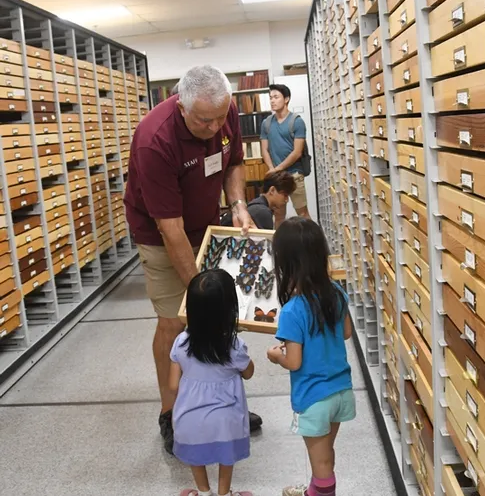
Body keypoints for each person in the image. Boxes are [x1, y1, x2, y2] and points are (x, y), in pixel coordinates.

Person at [124, 65, 261, 454]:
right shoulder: (155, 140)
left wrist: (236, 203)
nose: (216, 125)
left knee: (217, 316)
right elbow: (170, 229)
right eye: (205, 120)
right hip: (161, 232)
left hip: (207, 224)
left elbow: (233, 160)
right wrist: (201, 296)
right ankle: (171, 413)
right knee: (175, 319)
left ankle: (218, 403)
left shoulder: (221, 110)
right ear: (181, 106)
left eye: (221, 117)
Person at [266, 218, 355, 496]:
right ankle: (314, 490)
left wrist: (274, 356)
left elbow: (294, 361)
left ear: (286, 263)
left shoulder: (293, 310)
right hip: (341, 391)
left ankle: (321, 491)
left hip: (314, 397)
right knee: (326, 455)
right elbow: (346, 333)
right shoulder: (336, 293)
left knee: (322, 463)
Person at [170, 270, 254, 496]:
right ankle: (224, 493)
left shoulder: (181, 343)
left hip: (189, 419)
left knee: (195, 455)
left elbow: (173, 385)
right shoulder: (234, 345)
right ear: (229, 310)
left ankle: (204, 492)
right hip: (226, 420)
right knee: (226, 457)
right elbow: (249, 373)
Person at [261, 84, 311, 227]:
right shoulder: (266, 123)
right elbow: (265, 149)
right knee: (278, 216)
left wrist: (277, 169)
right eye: (270, 98)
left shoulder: (297, 121)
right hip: (276, 177)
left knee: (302, 213)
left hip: (294, 175)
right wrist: (272, 169)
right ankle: (279, 248)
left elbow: (297, 152)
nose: (272, 101)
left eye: (276, 97)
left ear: (286, 99)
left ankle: (312, 245)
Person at [220, 170, 297, 230]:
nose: (287, 200)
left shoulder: (256, 206)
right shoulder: (263, 212)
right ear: (272, 190)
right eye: (285, 195)